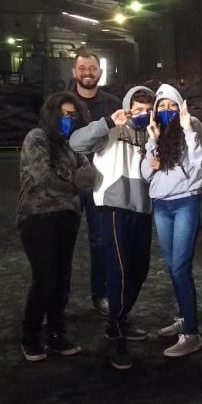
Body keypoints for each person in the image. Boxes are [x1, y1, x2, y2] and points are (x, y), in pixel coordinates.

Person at [70, 84, 156, 370]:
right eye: (138, 109)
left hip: (143, 208)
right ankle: (116, 332)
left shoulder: (152, 135)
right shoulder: (111, 129)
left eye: (148, 110)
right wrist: (108, 121)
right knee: (118, 269)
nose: (142, 115)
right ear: (128, 108)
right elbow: (76, 143)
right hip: (114, 206)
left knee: (139, 269)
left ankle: (119, 317)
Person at [17, 91, 96, 362]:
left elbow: (90, 176)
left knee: (62, 278)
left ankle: (56, 332)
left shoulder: (72, 144)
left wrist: (69, 180)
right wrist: (72, 182)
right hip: (38, 216)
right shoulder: (36, 138)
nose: (67, 119)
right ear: (52, 114)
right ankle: (30, 335)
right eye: (63, 114)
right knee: (45, 277)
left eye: (72, 115)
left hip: (68, 216)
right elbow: (42, 176)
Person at [140, 83, 202, 358]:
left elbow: (199, 163)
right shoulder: (154, 131)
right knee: (171, 266)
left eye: (171, 104)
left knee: (181, 268)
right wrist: (154, 142)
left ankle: (191, 333)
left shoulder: (192, 126)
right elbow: (146, 172)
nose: (166, 110)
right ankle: (183, 315)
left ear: (180, 106)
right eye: (162, 106)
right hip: (161, 205)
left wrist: (188, 129)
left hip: (185, 203)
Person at [69, 51, 121, 317]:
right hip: (66, 182)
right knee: (60, 240)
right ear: (74, 72)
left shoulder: (113, 104)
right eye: (82, 68)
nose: (87, 72)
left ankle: (100, 294)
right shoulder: (62, 102)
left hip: (100, 181)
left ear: (100, 72)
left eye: (92, 68)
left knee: (101, 240)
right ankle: (57, 298)